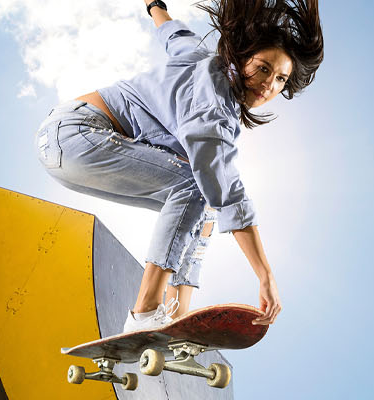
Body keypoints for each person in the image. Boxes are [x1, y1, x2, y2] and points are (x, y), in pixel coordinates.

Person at [33, 0, 322, 332]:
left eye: (281, 79)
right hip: (79, 136)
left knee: (204, 212)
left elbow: (173, 32)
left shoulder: (200, 54)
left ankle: (175, 316)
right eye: (263, 69)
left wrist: (154, 5)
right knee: (194, 186)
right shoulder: (213, 107)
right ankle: (145, 311)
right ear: (242, 58)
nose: (269, 85)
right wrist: (266, 276)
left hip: (65, 143)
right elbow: (228, 194)